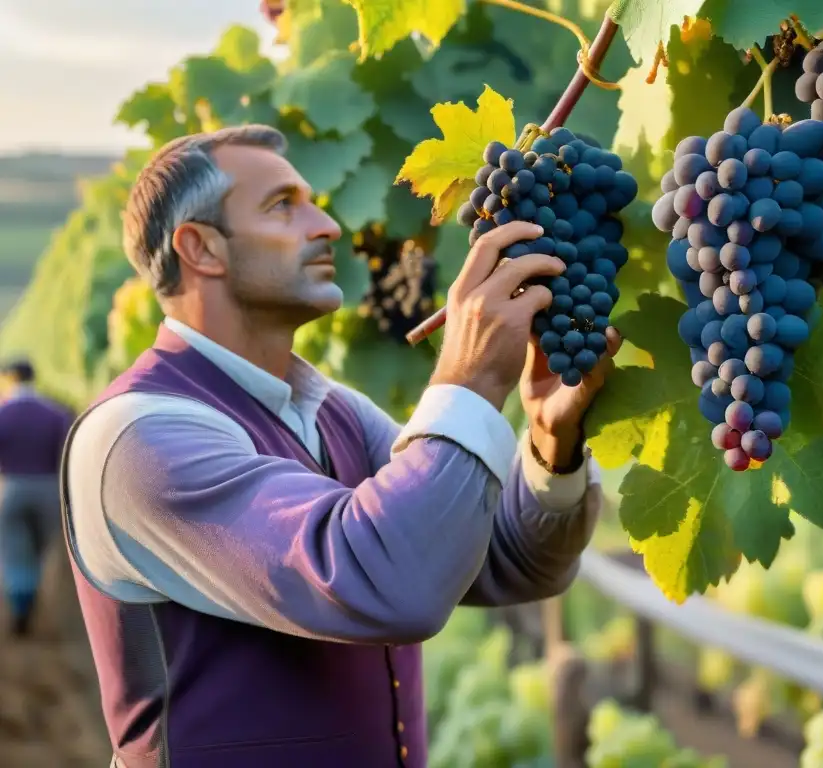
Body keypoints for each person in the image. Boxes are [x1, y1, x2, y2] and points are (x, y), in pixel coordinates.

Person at [62, 125, 621, 768]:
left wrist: (552, 441)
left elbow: (511, 560)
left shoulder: (334, 411)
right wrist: (468, 381)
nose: (326, 224)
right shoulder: (136, 440)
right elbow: (382, 577)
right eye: (282, 205)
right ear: (200, 248)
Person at [0, 359, 73, 636]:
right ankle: (48, 608)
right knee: (48, 551)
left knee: (15, 550)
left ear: (10, 378)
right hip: (48, 488)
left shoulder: (4, 414)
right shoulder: (55, 413)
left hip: (13, 487)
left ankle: (21, 605)